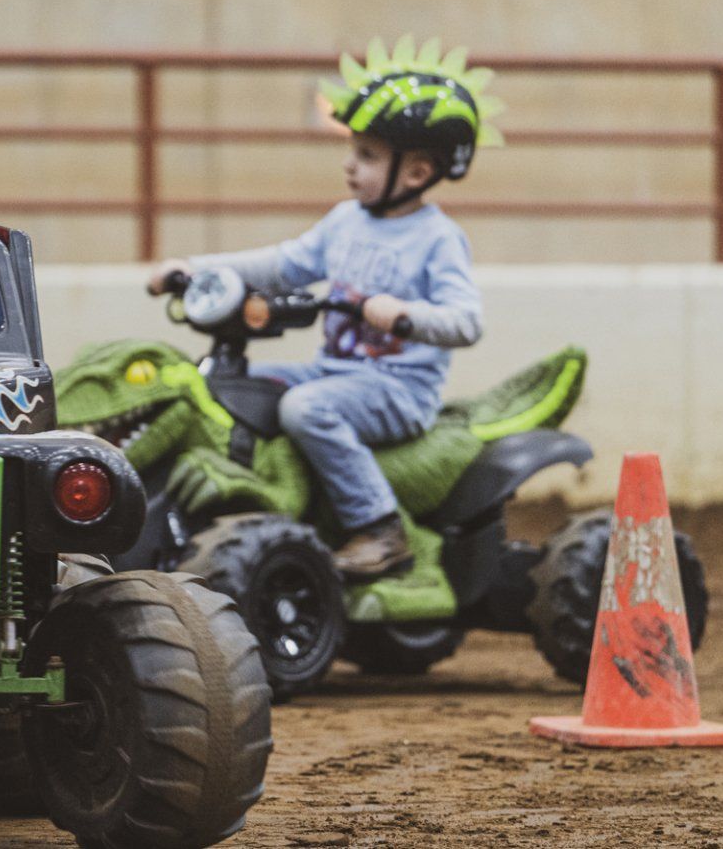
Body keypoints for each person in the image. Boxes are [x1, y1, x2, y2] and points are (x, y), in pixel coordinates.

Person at [148, 36, 500, 579]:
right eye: (352, 151)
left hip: (398, 389)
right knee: (233, 389)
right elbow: (284, 264)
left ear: (416, 172)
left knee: (306, 408)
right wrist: (197, 269)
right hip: (334, 372)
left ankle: (381, 528)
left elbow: (466, 322)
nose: (349, 166)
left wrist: (402, 314)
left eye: (367, 156)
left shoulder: (438, 239)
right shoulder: (345, 221)